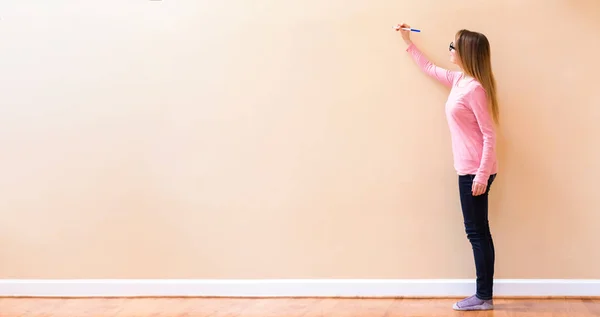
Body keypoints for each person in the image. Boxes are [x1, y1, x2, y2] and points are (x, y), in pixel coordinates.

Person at [396, 23, 499, 311]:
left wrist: (481, 174)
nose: (450, 50)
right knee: (478, 230)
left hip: (475, 170)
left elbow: (490, 135)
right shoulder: (459, 81)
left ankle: (483, 297)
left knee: (477, 232)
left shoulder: (475, 89)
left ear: (466, 52)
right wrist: (407, 42)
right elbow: (429, 68)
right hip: (468, 168)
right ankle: (484, 295)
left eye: (453, 46)